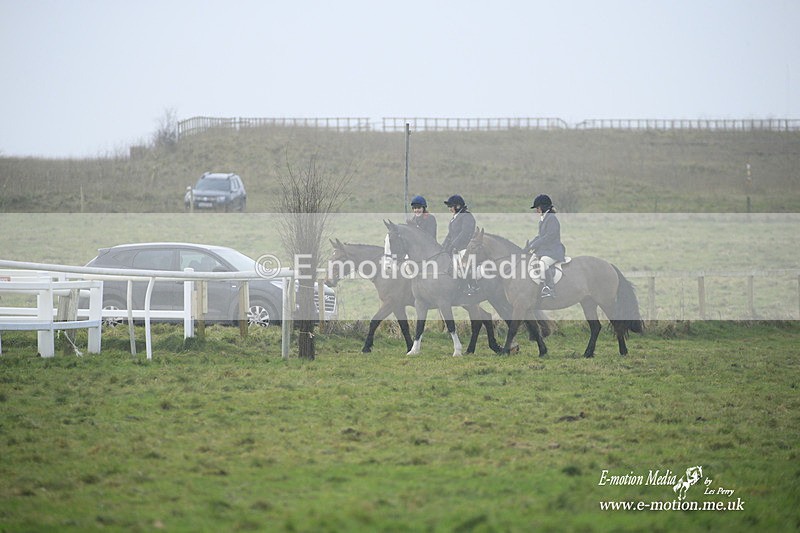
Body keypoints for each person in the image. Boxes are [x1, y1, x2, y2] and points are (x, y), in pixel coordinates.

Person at [524, 194, 566, 298]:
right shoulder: (544, 219)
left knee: (543, 264)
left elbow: (549, 237)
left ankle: (550, 289)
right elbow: (540, 236)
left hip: (553, 251)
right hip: (546, 250)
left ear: (543, 207)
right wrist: (529, 245)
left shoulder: (551, 219)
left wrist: (534, 245)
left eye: (537, 208)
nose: (537, 210)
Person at [441, 194, 478, 294]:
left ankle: (469, 286)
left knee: (461, 264)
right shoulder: (455, 217)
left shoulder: (467, 216)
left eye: (451, 206)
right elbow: (450, 234)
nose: (449, 209)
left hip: (466, 247)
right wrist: (443, 246)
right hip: (456, 247)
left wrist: (454, 245)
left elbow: (465, 233)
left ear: (457, 206)